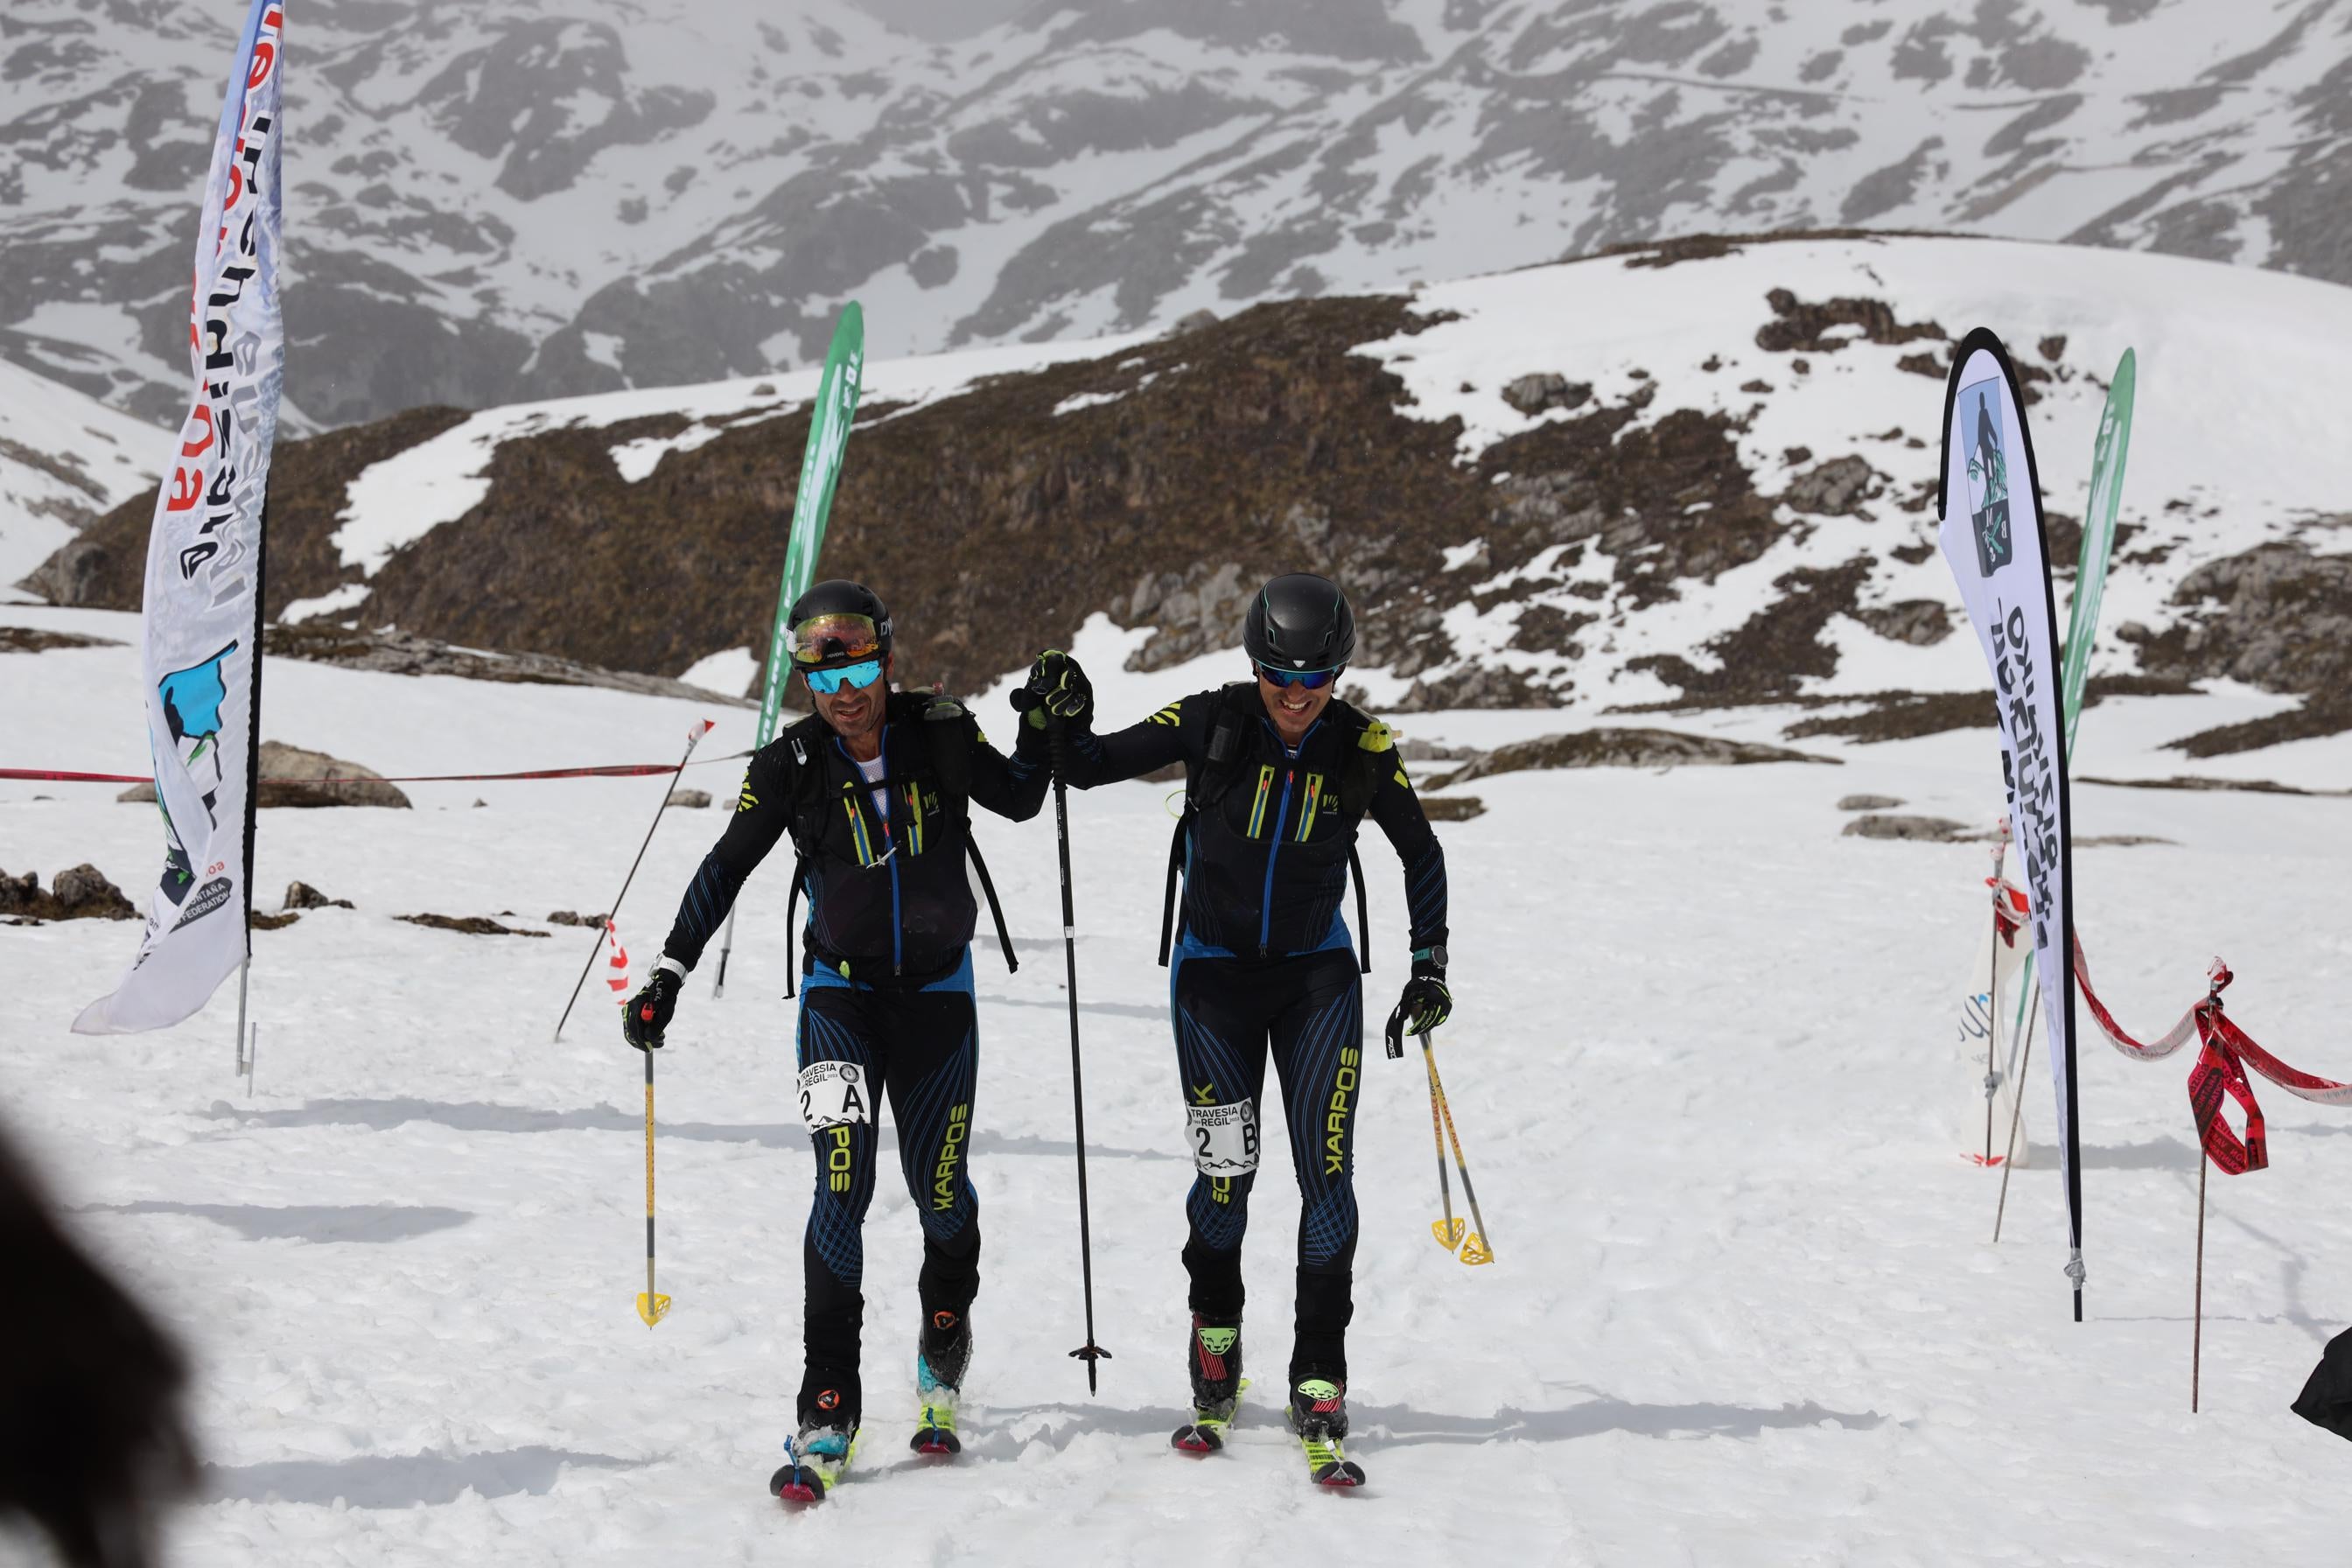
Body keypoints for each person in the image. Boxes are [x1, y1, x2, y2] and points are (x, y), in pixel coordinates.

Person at [621, 580, 1049, 1502]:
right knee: (841, 1186)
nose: (845, 689)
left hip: (938, 999)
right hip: (838, 1003)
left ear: (887, 658)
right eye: (824, 673)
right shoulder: (790, 765)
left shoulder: (940, 728)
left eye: (859, 666)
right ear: (804, 677)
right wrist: (668, 972)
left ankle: (943, 1338)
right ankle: (829, 1400)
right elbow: (725, 865)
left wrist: (1047, 728)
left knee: (941, 1194)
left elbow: (1019, 799)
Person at [1026, 571, 1452, 1486]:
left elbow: (1421, 850)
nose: (1297, 696)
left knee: (1325, 1177)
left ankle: (1320, 1376)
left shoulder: (1361, 745)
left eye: (1317, 677)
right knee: (1224, 1180)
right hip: (1214, 980)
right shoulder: (1209, 721)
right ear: (1254, 663)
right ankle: (1215, 1344)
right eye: (1279, 675)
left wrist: (1429, 967)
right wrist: (1053, 715)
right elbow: (1087, 763)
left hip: (1317, 982)